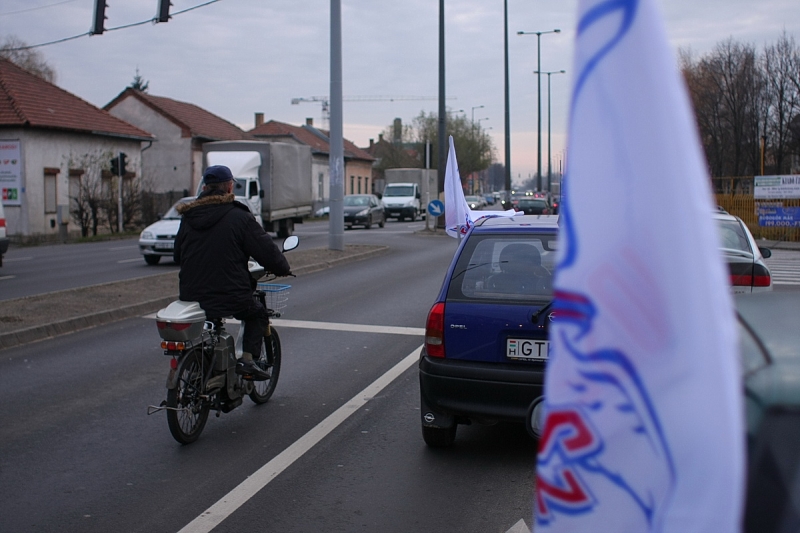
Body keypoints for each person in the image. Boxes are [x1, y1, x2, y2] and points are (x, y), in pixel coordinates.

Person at [173, 165, 291, 384]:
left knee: (208, 323)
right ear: (229, 187)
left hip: (191, 293)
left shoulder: (189, 217)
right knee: (256, 314)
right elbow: (265, 250)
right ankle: (247, 360)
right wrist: (283, 267)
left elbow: (177, 254)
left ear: (205, 187)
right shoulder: (239, 216)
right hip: (230, 294)